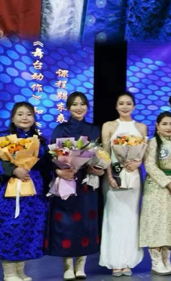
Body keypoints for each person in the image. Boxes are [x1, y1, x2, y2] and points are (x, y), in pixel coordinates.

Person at [47, 93, 103, 280]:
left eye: (82, 104)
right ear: (68, 107)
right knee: (66, 223)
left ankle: (81, 266)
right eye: (74, 104)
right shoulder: (60, 129)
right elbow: (52, 156)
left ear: (87, 107)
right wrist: (59, 171)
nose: (79, 108)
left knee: (85, 223)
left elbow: (100, 154)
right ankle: (67, 266)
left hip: (86, 183)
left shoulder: (94, 129)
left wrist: (98, 168)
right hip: (66, 180)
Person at [99, 92, 146, 276]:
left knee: (131, 217)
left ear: (134, 106)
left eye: (128, 103)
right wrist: (110, 177)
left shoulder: (141, 127)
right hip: (114, 178)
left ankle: (128, 261)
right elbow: (105, 154)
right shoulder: (109, 126)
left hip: (134, 178)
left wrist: (138, 163)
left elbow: (144, 152)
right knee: (114, 218)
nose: (125, 106)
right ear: (116, 106)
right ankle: (115, 261)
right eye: (121, 103)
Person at [0, 102, 48, 281]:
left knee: (28, 228)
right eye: (20, 114)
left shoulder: (40, 140)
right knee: (11, 227)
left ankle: (20, 270)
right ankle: (9, 273)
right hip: (10, 190)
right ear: (12, 118)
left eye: (29, 114)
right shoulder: (3, 138)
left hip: (34, 191)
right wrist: (13, 170)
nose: (25, 118)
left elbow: (46, 165)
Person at [139, 112, 171, 275]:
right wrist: (168, 183)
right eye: (165, 124)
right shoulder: (153, 143)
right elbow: (150, 165)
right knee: (156, 222)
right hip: (157, 187)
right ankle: (156, 262)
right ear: (157, 126)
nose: (169, 127)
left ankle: (166, 260)